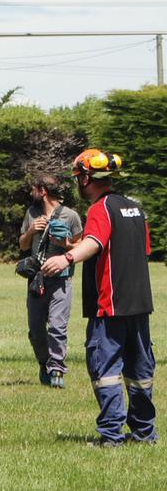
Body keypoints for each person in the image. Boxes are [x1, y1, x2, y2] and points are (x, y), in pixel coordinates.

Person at [42, 149, 156, 447]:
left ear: (87, 178)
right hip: (139, 303)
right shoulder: (134, 208)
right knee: (140, 372)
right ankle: (145, 433)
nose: (78, 183)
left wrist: (66, 257)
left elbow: (94, 243)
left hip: (110, 304)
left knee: (105, 371)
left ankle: (111, 436)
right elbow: (141, 250)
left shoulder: (99, 208)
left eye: (79, 177)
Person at [19, 174, 82, 388]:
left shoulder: (71, 216)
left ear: (42, 191)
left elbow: (81, 246)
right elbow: (22, 245)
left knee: (57, 327)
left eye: (33, 189)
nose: (31, 193)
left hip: (62, 280)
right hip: (37, 280)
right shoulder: (32, 213)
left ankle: (56, 369)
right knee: (36, 330)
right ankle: (44, 363)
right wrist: (31, 230)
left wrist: (64, 244)